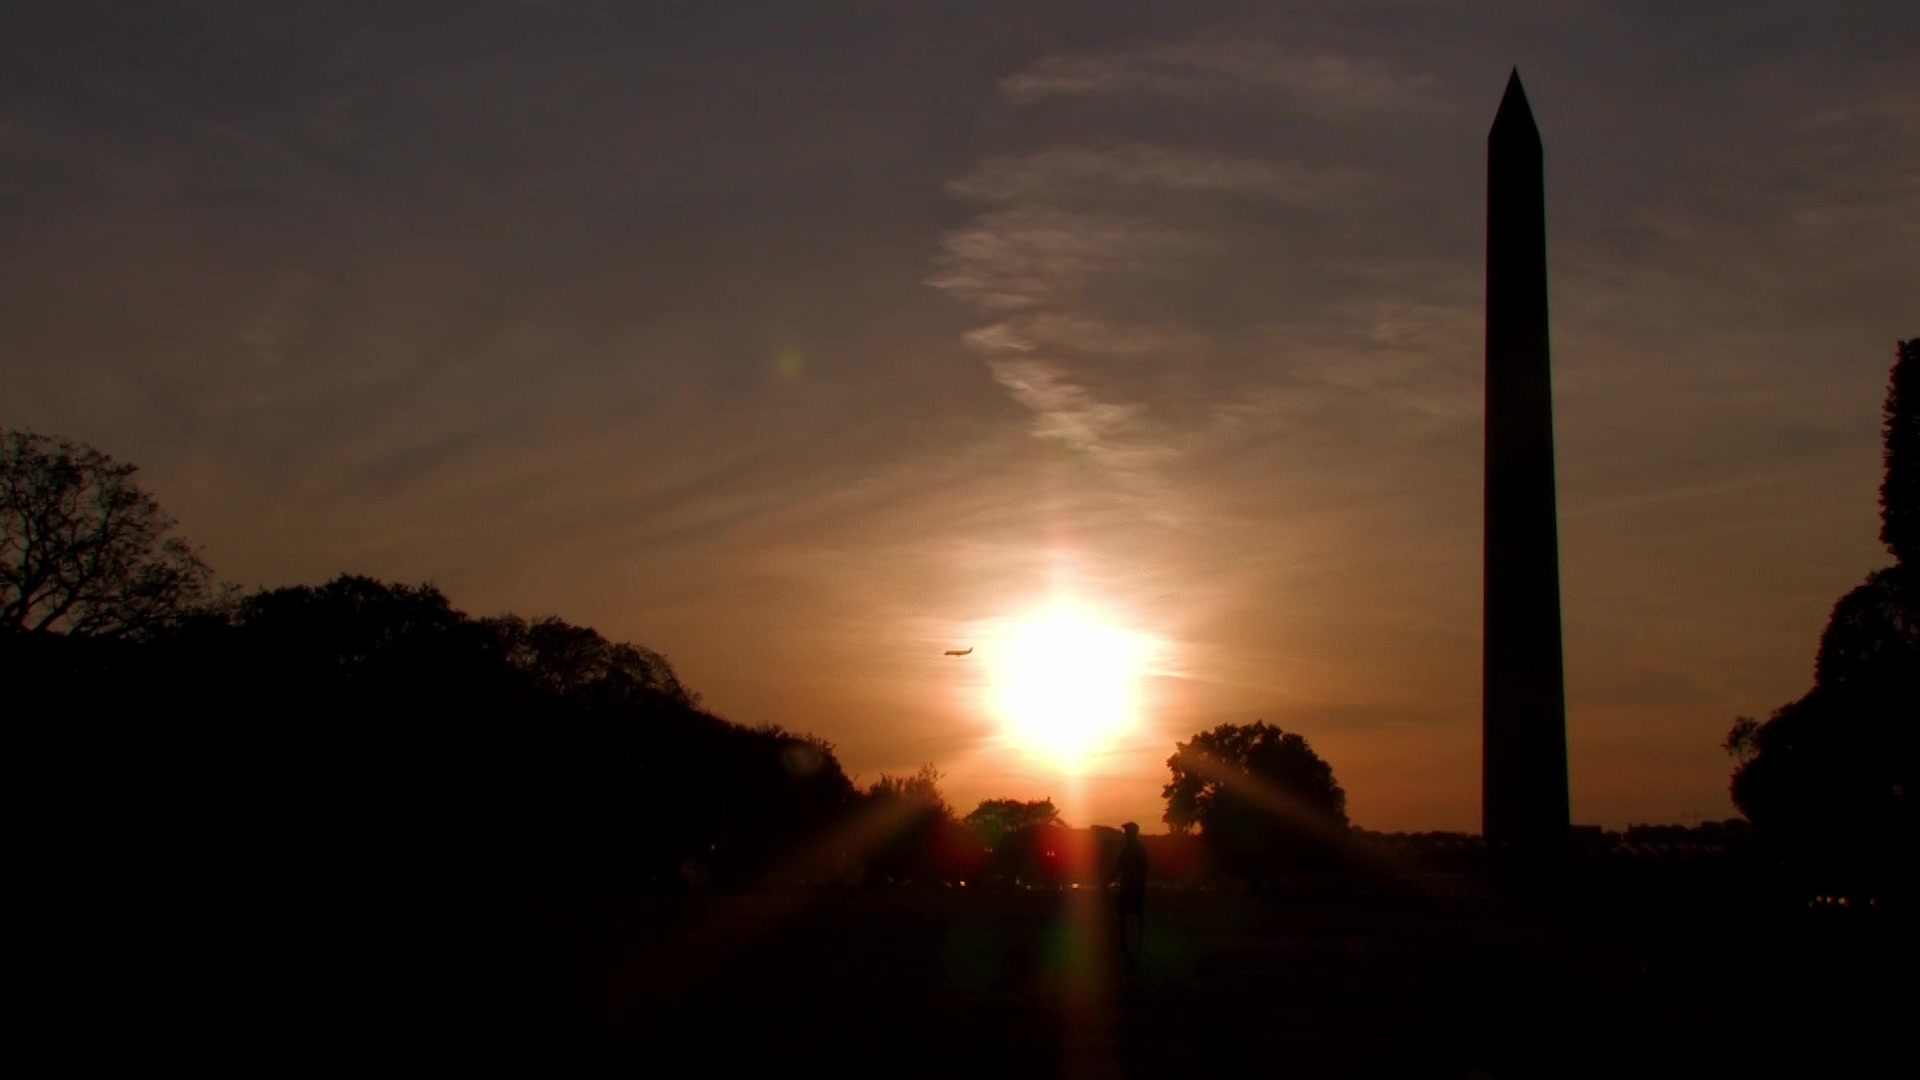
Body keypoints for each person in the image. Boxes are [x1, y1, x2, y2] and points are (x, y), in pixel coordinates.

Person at [1108, 821, 1148, 964]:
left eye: (1127, 832)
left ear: (1131, 833)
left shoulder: (1130, 850)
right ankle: (1136, 943)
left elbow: (1119, 868)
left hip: (1130, 887)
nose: (1125, 834)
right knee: (1135, 915)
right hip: (1135, 887)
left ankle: (1126, 943)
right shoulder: (1140, 849)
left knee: (1126, 915)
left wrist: (1107, 882)